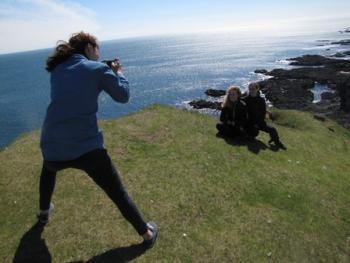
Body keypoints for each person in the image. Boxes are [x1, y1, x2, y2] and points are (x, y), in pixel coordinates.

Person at [38, 32, 158, 248]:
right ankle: (147, 233)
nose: (99, 51)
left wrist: (101, 69)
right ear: (89, 48)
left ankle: (43, 212)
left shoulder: (57, 69)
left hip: (52, 142)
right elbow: (123, 96)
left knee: (48, 170)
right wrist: (118, 72)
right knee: (116, 191)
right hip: (86, 146)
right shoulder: (98, 70)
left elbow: (77, 78)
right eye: (97, 47)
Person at [244, 82, 285, 149]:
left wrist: (260, 122)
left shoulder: (261, 100)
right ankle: (248, 137)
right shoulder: (245, 99)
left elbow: (263, 113)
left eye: (253, 89)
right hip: (250, 123)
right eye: (250, 89)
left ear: (257, 89)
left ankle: (277, 142)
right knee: (254, 132)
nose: (251, 90)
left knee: (272, 129)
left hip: (260, 122)